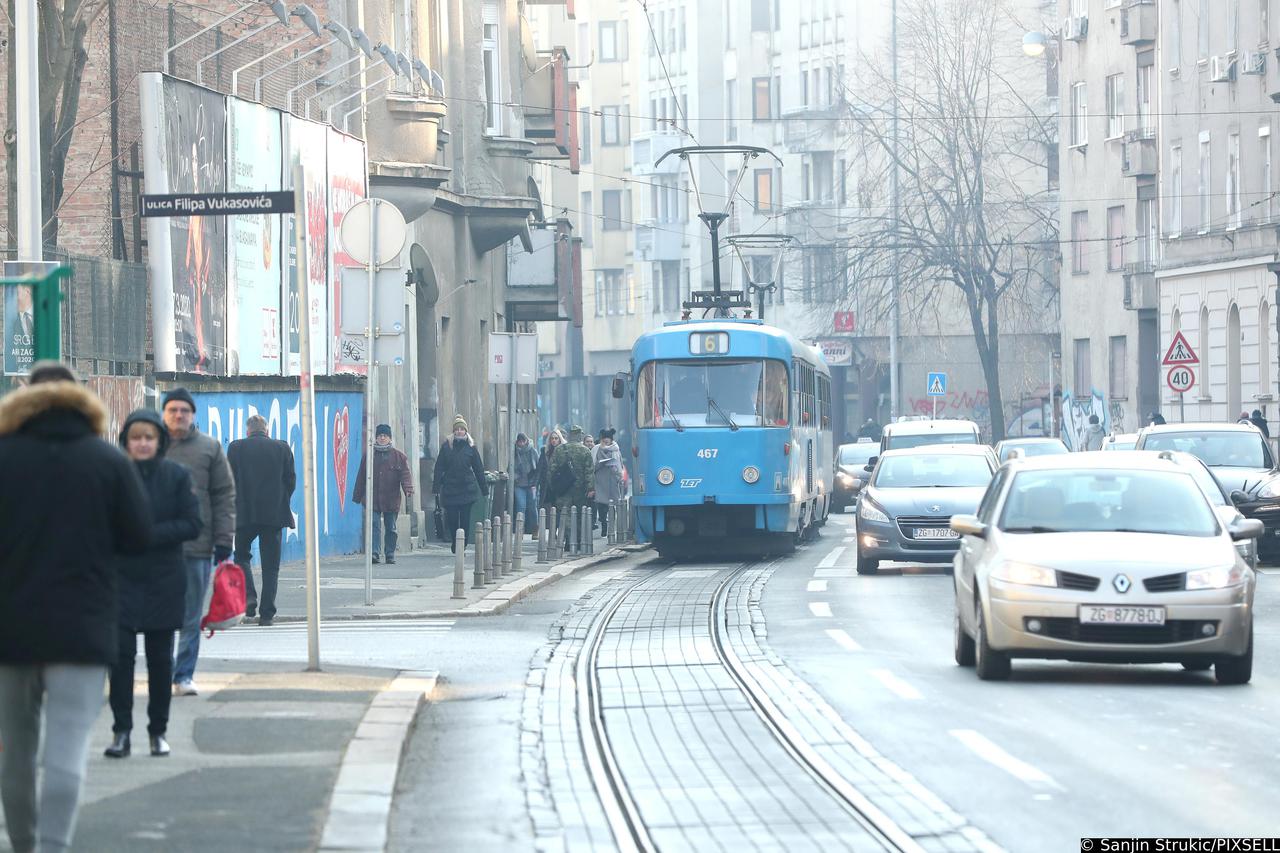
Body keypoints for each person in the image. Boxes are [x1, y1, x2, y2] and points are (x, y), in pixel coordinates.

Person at [0, 362, 152, 853]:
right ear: (78, 397)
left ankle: (21, 844)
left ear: (23, 397)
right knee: (67, 750)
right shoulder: (108, 462)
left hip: (9, 628)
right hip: (83, 626)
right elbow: (138, 539)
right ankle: (53, 847)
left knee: (14, 753)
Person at [106, 409, 202, 759]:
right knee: (120, 660)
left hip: (163, 578)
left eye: (149, 437)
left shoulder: (176, 476)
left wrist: (150, 535)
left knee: (161, 661)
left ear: (159, 440)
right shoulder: (113, 476)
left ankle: (157, 731)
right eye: (136, 437)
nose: (143, 443)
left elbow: (193, 523)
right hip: (121, 579)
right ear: (126, 441)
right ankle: (121, 731)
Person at [162, 388, 235, 698]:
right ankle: (161, 673)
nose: (179, 415)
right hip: (157, 547)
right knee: (161, 615)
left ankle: (183, 675)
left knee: (191, 615)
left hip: (198, 545)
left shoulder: (209, 448)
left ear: (193, 414)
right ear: (164, 413)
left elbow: (224, 496)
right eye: (173, 410)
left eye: (184, 410)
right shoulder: (149, 444)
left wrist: (223, 539)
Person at [227, 414, 296, 626]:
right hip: (274, 515)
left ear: (248, 431)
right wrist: (280, 500)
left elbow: (228, 479)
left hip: (245, 513)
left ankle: (249, 597)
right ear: (267, 431)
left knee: (241, 556)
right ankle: (267, 614)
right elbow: (290, 480)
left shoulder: (236, 448)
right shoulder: (282, 448)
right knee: (271, 565)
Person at [354, 423, 415, 563]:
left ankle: (389, 553)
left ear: (390, 438)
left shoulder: (399, 457)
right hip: (373, 498)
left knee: (391, 528)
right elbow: (361, 477)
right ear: (376, 438)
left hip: (391, 498)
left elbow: (405, 475)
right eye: (380, 435)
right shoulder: (369, 456)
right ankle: (374, 552)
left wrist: (408, 490)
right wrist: (358, 496)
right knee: (374, 526)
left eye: (385, 436)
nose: (382, 438)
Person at [432, 416, 486, 554]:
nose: (459, 431)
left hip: (467, 488)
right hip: (451, 489)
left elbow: (478, 468)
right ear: (454, 431)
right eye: (457, 429)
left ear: (466, 431)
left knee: (466, 519)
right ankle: (456, 542)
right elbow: (439, 467)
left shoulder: (471, 448)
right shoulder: (446, 447)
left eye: (462, 429)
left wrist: (484, 488)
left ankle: (464, 542)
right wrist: (436, 487)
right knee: (453, 519)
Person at [551, 425, 594, 543]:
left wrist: (554, 487)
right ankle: (578, 540)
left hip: (563, 489)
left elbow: (552, 470)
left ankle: (569, 539)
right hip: (580, 489)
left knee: (566, 514)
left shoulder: (559, 449)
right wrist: (590, 488)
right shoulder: (585, 450)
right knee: (579, 514)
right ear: (579, 435)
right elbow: (589, 471)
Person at [591, 429, 625, 537]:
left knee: (612, 505)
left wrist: (619, 475)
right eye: (604, 441)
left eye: (608, 441)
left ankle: (611, 527)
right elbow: (592, 465)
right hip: (600, 481)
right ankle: (604, 525)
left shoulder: (616, 449)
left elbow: (620, 464)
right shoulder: (596, 449)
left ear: (611, 440)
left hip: (612, 480)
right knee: (601, 505)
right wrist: (601, 464)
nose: (606, 443)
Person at [512, 432, 539, 537]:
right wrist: (515, 477)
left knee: (532, 507)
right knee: (521, 507)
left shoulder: (532, 451)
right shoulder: (514, 451)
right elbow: (510, 466)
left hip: (532, 484)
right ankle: (520, 531)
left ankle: (535, 530)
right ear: (517, 442)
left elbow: (538, 468)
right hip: (519, 484)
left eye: (524, 441)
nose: (522, 444)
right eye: (520, 441)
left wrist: (536, 483)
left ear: (527, 441)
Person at [537, 429, 565, 515]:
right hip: (547, 485)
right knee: (546, 509)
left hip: (560, 484)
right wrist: (536, 484)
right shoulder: (544, 451)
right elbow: (540, 469)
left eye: (556, 438)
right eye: (552, 438)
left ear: (560, 439)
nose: (554, 440)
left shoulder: (564, 451)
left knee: (559, 509)